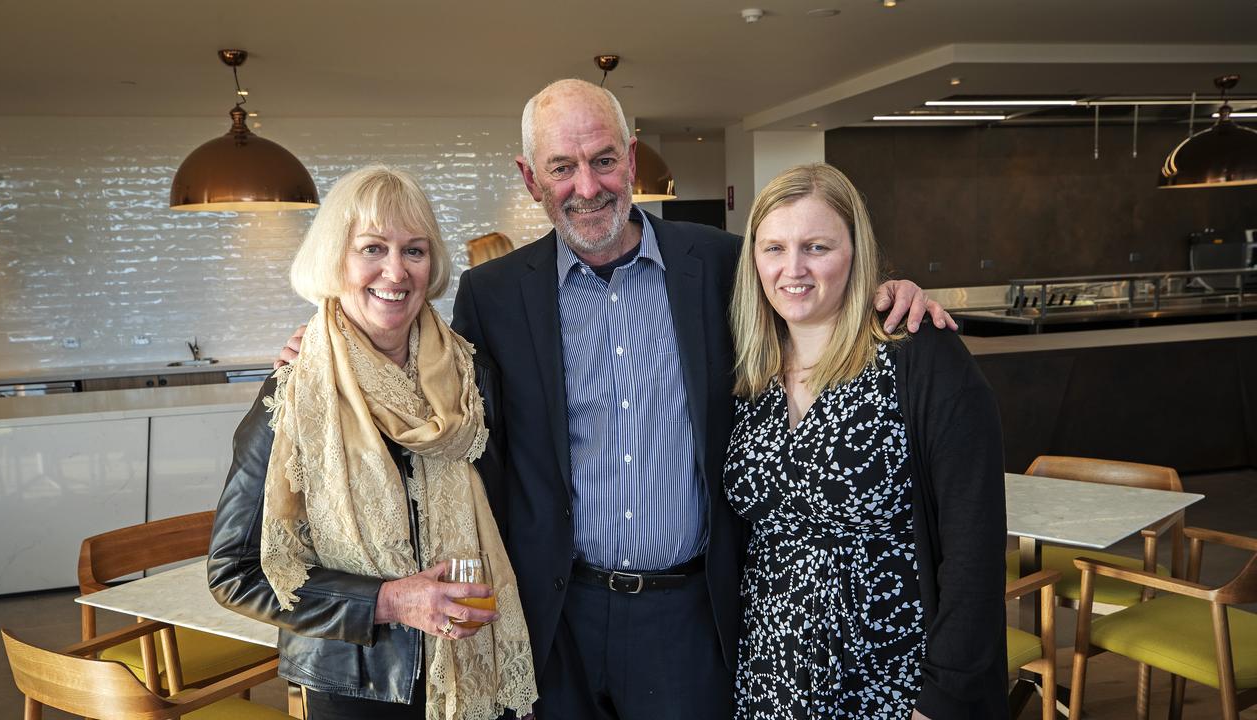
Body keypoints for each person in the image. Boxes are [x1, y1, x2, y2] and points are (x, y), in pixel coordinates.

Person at [279, 80, 953, 719]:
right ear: (529, 178)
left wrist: (888, 295)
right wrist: (329, 342)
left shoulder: (722, 264)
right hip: (560, 616)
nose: (587, 186)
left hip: (692, 617)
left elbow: (809, 293)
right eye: (562, 167)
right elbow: (458, 423)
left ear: (630, 159)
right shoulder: (494, 294)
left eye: (604, 160)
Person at [209, 165, 537, 720]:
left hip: (477, 664)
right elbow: (236, 572)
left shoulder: (473, 379)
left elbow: (510, 518)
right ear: (335, 260)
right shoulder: (295, 392)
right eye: (372, 248)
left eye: (414, 250)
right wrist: (389, 601)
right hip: (359, 686)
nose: (396, 270)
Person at [724, 163, 1007, 719]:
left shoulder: (919, 357)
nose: (793, 269)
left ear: (857, 251)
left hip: (896, 685)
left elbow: (974, 551)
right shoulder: (746, 375)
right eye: (774, 248)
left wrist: (942, 700)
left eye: (817, 246)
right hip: (770, 680)